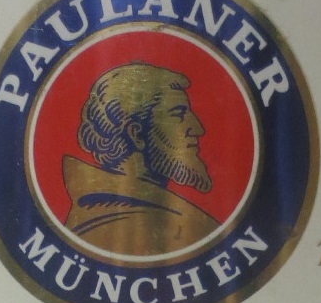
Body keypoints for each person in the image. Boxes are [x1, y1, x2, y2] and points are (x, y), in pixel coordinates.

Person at [62, 63, 218, 256]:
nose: (198, 129)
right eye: (179, 114)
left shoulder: (102, 213)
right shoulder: (117, 223)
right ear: (136, 134)